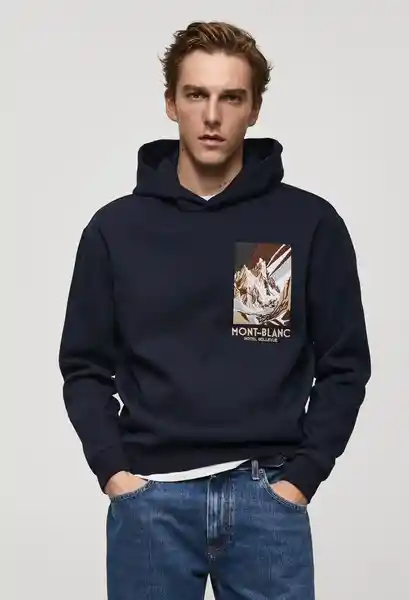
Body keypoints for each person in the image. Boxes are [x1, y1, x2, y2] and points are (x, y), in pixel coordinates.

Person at [59, 20, 371, 600]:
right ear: (171, 103)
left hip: (267, 496)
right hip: (151, 500)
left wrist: (301, 479)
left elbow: (346, 365)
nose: (211, 115)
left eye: (231, 97)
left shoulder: (309, 223)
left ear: (254, 110)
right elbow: (83, 367)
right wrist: (115, 473)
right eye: (196, 94)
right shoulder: (116, 229)